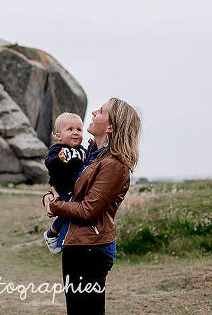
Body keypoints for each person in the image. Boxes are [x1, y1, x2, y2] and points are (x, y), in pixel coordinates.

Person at [42, 98, 141, 315]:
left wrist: (57, 206)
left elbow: (88, 211)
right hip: (78, 244)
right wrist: (49, 198)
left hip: (91, 249)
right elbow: (68, 188)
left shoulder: (114, 165)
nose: (94, 112)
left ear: (110, 127)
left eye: (101, 111)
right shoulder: (90, 154)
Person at [43, 112, 87, 254]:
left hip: (75, 188)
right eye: (70, 129)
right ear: (58, 136)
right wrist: (59, 160)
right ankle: (52, 233)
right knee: (68, 210)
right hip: (62, 187)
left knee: (71, 213)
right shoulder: (57, 149)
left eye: (79, 130)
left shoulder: (83, 151)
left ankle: (59, 237)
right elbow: (48, 163)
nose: (75, 133)